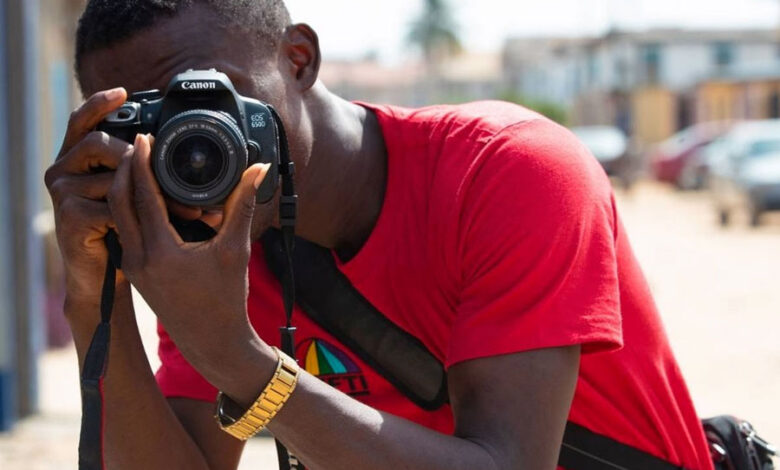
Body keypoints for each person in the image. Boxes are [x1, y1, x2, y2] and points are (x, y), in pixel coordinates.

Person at [44, 1, 714, 469]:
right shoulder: (212, 251)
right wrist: (91, 297)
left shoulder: (507, 171)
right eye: (152, 124)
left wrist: (239, 358)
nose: (189, 147)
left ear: (298, 58)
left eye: (215, 100)